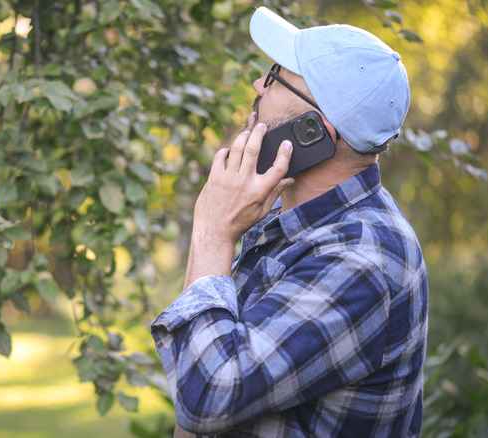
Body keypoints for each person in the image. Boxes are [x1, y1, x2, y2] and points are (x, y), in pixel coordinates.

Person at [151, 6, 428, 438]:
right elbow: (198, 368)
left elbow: (206, 397)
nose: (258, 84)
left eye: (275, 75)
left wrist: (212, 228)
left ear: (313, 130)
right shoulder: (290, 217)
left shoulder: (359, 259)